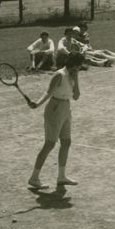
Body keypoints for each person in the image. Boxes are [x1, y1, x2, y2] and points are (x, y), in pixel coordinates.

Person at [27, 51, 83, 189]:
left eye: (79, 67)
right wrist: (37, 104)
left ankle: (61, 177)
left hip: (66, 108)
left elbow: (76, 96)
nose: (78, 69)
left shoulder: (73, 75)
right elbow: (48, 92)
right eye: (76, 67)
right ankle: (34, 178)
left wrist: (76, 79)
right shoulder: (59, 74)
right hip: (55, 108)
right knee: (50, 144)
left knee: (66, 142)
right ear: (70, 65)